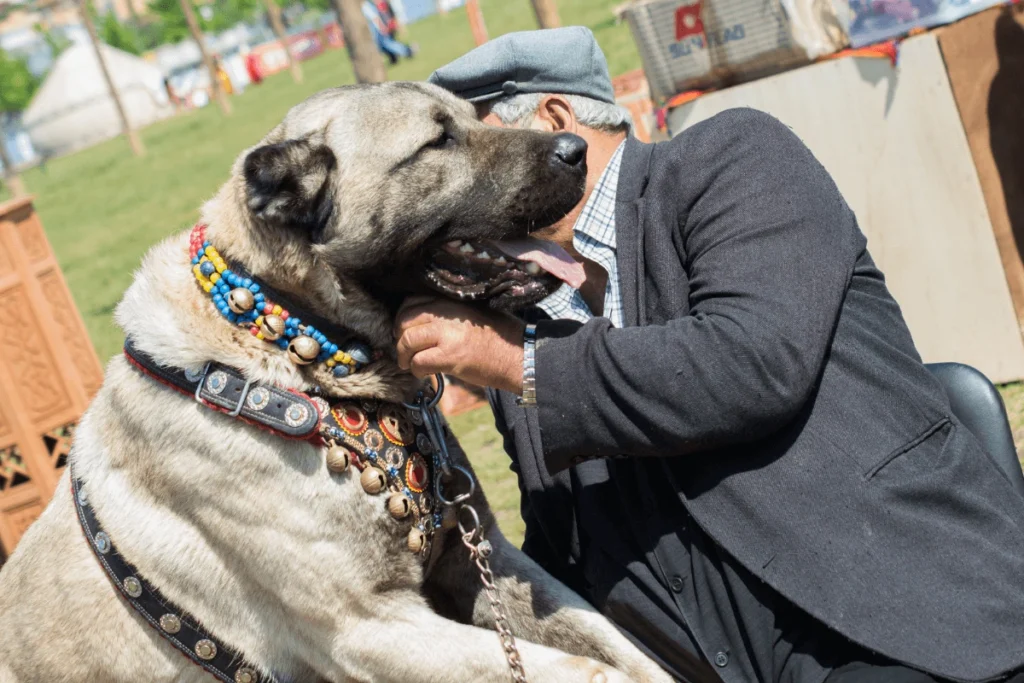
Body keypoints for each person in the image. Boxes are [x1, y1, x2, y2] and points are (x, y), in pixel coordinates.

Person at [395, 26, 1024, 683]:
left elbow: (750, 363)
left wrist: (511, 362)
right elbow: (564, 539)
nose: (455, 183)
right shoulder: (518, 311)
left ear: (557, 123)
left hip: (895, 632)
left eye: (476, 143)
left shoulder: (730, 159)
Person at [361, 0, 415, 65]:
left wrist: (382, 26)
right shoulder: (367, 4)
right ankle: (393, 56)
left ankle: (407, 51)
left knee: (386, 42)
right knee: (381, 44)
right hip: (379, 22)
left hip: (382, 21)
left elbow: (375, 15)